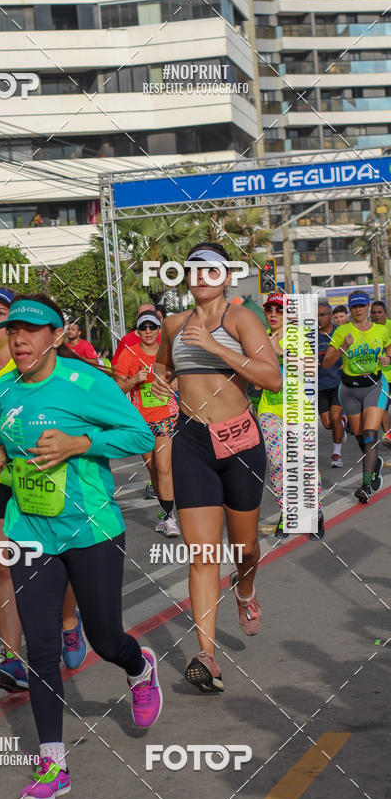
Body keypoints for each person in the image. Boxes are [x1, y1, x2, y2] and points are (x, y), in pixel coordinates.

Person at [0, 293, 161, 799]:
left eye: (32, 330)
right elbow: (7, 443)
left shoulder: (86, 382)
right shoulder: (4, 388)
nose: (20, 339)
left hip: (91, 528)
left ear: (56, 336)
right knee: (42, 649)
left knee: (105, 637)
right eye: (13, 330)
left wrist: (81, 444)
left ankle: (139, 667)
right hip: (29, 530)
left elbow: (140, 436)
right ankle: (52, 764)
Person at [153, 243, 282, 693]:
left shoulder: (241, 318)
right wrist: (162, 379)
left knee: (244, 548)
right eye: (194, 270)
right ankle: (207, 655)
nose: (201, 277)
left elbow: (271, 377)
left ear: (226, 276)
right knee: (203, 554)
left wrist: (213, 347)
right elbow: (162, 367)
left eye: (211, 270)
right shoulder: (173, 324)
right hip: (192, 443)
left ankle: (245, 590)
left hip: (240, 440)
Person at [0, 288, 87, 691]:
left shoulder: (30, 357)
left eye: (0, 312)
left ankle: (68, 622)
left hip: (33, 469)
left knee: (52, 556)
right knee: (3, 565)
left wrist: (10, 401)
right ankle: (12, 658)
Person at [257, 292, 325, 540]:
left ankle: (315, 513)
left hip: (299, 409)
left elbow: (311, 368)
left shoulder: (296, 336)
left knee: (305, 464)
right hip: (270, 408)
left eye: (279, 309)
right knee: (277, 463)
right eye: (269, 309)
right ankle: (288, 513)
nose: (273, 314)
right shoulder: (261, 337)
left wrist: (279, 352)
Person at [114, 311, 180, 537]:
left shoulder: (168, 351)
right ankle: (165, 514)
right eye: (144, 327)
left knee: (164, 467)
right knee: (153, 469)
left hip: (166, 416)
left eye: (153, 327)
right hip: (140, 421)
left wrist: (177, 382)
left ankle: (170, 518)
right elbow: (116, 388)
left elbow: (184, 376)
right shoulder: (129, 354)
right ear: (137, 331)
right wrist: (134, 380)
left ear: (159, 329)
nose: (148, 331)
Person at [322, 290, 391, 503]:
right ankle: (374, 463)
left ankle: (366, 485)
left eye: (362, 306)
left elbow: (389, 348)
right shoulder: (342, 331)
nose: (358, 310)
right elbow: (326, 363)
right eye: (354, 306)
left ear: (368, 306)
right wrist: (344, 346)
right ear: (350, 308)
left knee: (370, 434)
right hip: (349, 389)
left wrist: (388, 358)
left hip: (374, 385)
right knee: (361, 436)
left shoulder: (380, 330)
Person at [317, 300, 346, 467]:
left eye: (323, 315)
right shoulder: (311, 335)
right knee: (328, 424)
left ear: (330, 316)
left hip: (338, 382)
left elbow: (350, 351)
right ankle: (342, 423)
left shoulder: (339, 333)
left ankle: (337, 455)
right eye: (317, 315)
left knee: (335, 417)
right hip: (320, 385)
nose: (319, 318)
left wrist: (345, 363)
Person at [370, 300, 391, 446]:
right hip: (379, 375)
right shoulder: (367, 329)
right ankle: (388, 435)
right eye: (374, 312)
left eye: (379, 312)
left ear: (385, 313)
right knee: (383, 406)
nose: (377, 315)